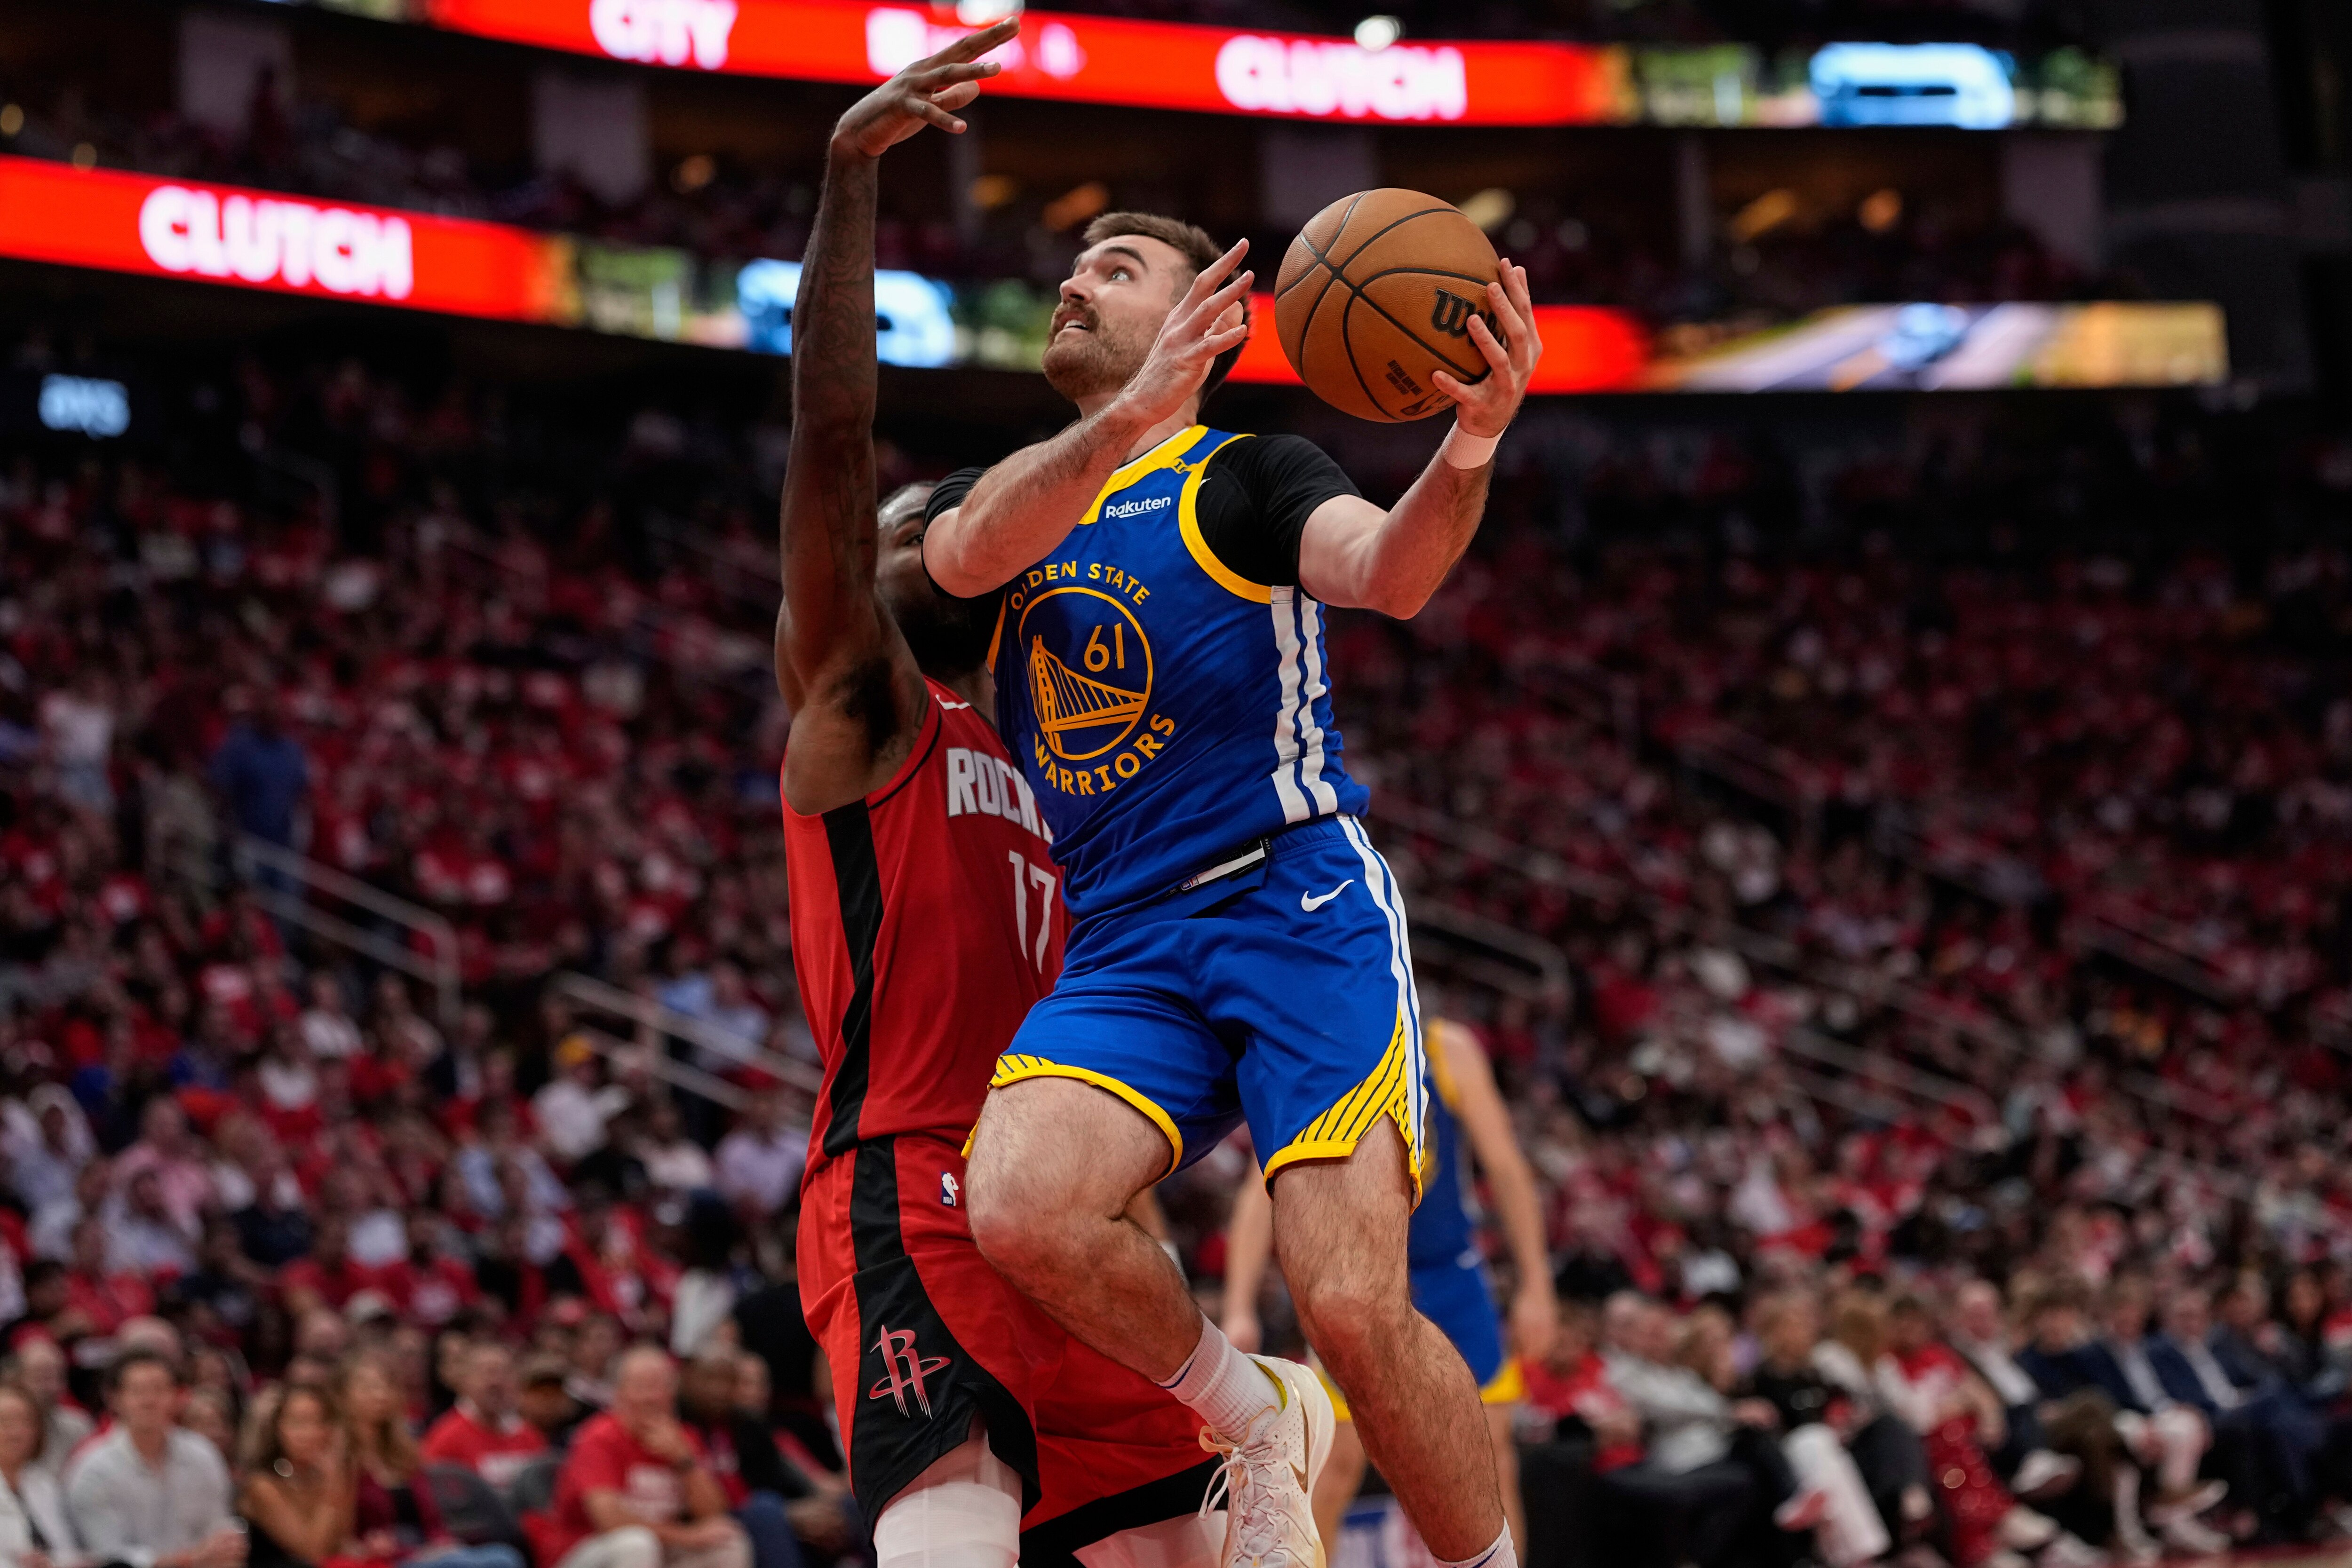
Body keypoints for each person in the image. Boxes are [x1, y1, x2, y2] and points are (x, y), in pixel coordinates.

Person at [931, 90, 1542, 1568]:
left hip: (1289, 901)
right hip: (1122, 934)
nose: (1072, 282)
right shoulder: (1007, 502)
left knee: (1352, 1304)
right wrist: (1115, 423)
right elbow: (955, 557)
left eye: (1115, 267)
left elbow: (1386, 572)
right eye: (1071, 266)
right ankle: (1254, 1408)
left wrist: (1465, 447)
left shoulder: (1249, 472)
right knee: (1016, 1202)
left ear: (1204, 320)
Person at [772, 24, 1224, 1568]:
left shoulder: (1058, 751)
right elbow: (833, 440)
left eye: (951, 519)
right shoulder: (866, 706)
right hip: (912, 1194)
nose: (929, 531)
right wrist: (851, 178)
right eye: (912, 522)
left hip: (1065, 1205)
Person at [1222, 1018, 1556, 1551]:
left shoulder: (1446, 1048)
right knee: (1333, 1463)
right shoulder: (1312, 1045)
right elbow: (1260, 1189)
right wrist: (1238, 1306)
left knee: (1493, 1456)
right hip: (1355, 1280)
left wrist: (1537, 1285)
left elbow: (1507, 1168)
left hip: (1449, 1276)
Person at [538, 1346, 750, 1568]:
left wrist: (684, 1462)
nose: (652, 1397)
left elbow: (715, 1514)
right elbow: (610, 1519)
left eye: (660, 1386)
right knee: (638, 1544)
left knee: (728, 1541)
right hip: (586, 1549)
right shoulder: (597, 1438)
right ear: (619, 1394)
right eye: (642, 1387)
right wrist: (687, 1537)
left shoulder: (683, 1438)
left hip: (661, 1546)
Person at [63, 1348, 247, 1568]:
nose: (149, 1401)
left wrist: (226, 1546)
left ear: (177, 1396)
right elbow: (110, 1556)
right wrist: (189, 1559)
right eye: (138, 1391)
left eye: (159, 1390)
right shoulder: (92, 1469)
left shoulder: (203, 1454)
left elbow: (219, 1525)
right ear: (114, 1399)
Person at [342, 1353, 524, 1568]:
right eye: (368, 1387)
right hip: (383, 1560)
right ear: (343, 1396)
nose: (380, 1395)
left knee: (503, 1557)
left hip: (425, 1551)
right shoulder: (341, 1460)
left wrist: (442, 1543)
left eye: (386, 1386)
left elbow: (432, 1518)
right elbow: (343, 1536)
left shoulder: (405, 1454)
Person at [237, 1383, 358, 1568]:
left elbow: (341, 1541)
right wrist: (332, 1488)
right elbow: (313, 1552)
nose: (308, 1434)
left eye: (317, 1422)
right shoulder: (262, 1485)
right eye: (297, 1423)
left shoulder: (330, 1476)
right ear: (278, 1428)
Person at [422, 1343, 549, 1493]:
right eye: (488, 1373)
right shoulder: (445, 1438)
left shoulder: (530, 1436)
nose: (497, 1382)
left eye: (505, 1373)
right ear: (466, 1381)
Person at [0, 1381, 81, 1568]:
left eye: (25, 1421)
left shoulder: (46, 1484)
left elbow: (69, 1551)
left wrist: (52, 1562)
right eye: (4, 1421)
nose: (16, 1432)